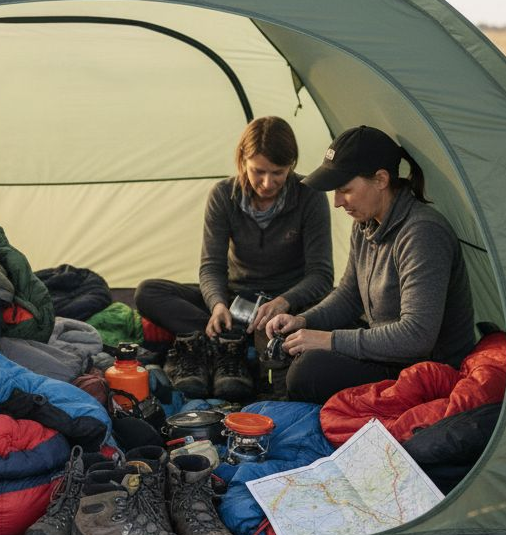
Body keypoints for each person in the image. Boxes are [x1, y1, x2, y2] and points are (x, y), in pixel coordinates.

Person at [264, 125, 476, 404]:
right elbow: (349, 295)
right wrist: (304, 321)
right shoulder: (366, 224)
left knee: (309, 371)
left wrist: (328, 340)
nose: (337, 202)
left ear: (381, 179)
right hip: (388, 357)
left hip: (427, 370)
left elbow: (416, 336)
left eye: (345, 190)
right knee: (302, 348)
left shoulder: (422, 233)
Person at [134, 116, 332, 400]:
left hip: (287, 304)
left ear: (292, 165)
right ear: (242, 160)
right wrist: (217, 305)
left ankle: (227, 344)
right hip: (236, 300)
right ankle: (231, 340)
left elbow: (321, 275)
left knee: (332, 316)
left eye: (278, 173)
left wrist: (283, 302)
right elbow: (211, 266)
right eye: (258, 171)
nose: (267, 183)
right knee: (148, 292)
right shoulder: (223, 195)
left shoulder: (309, 195)